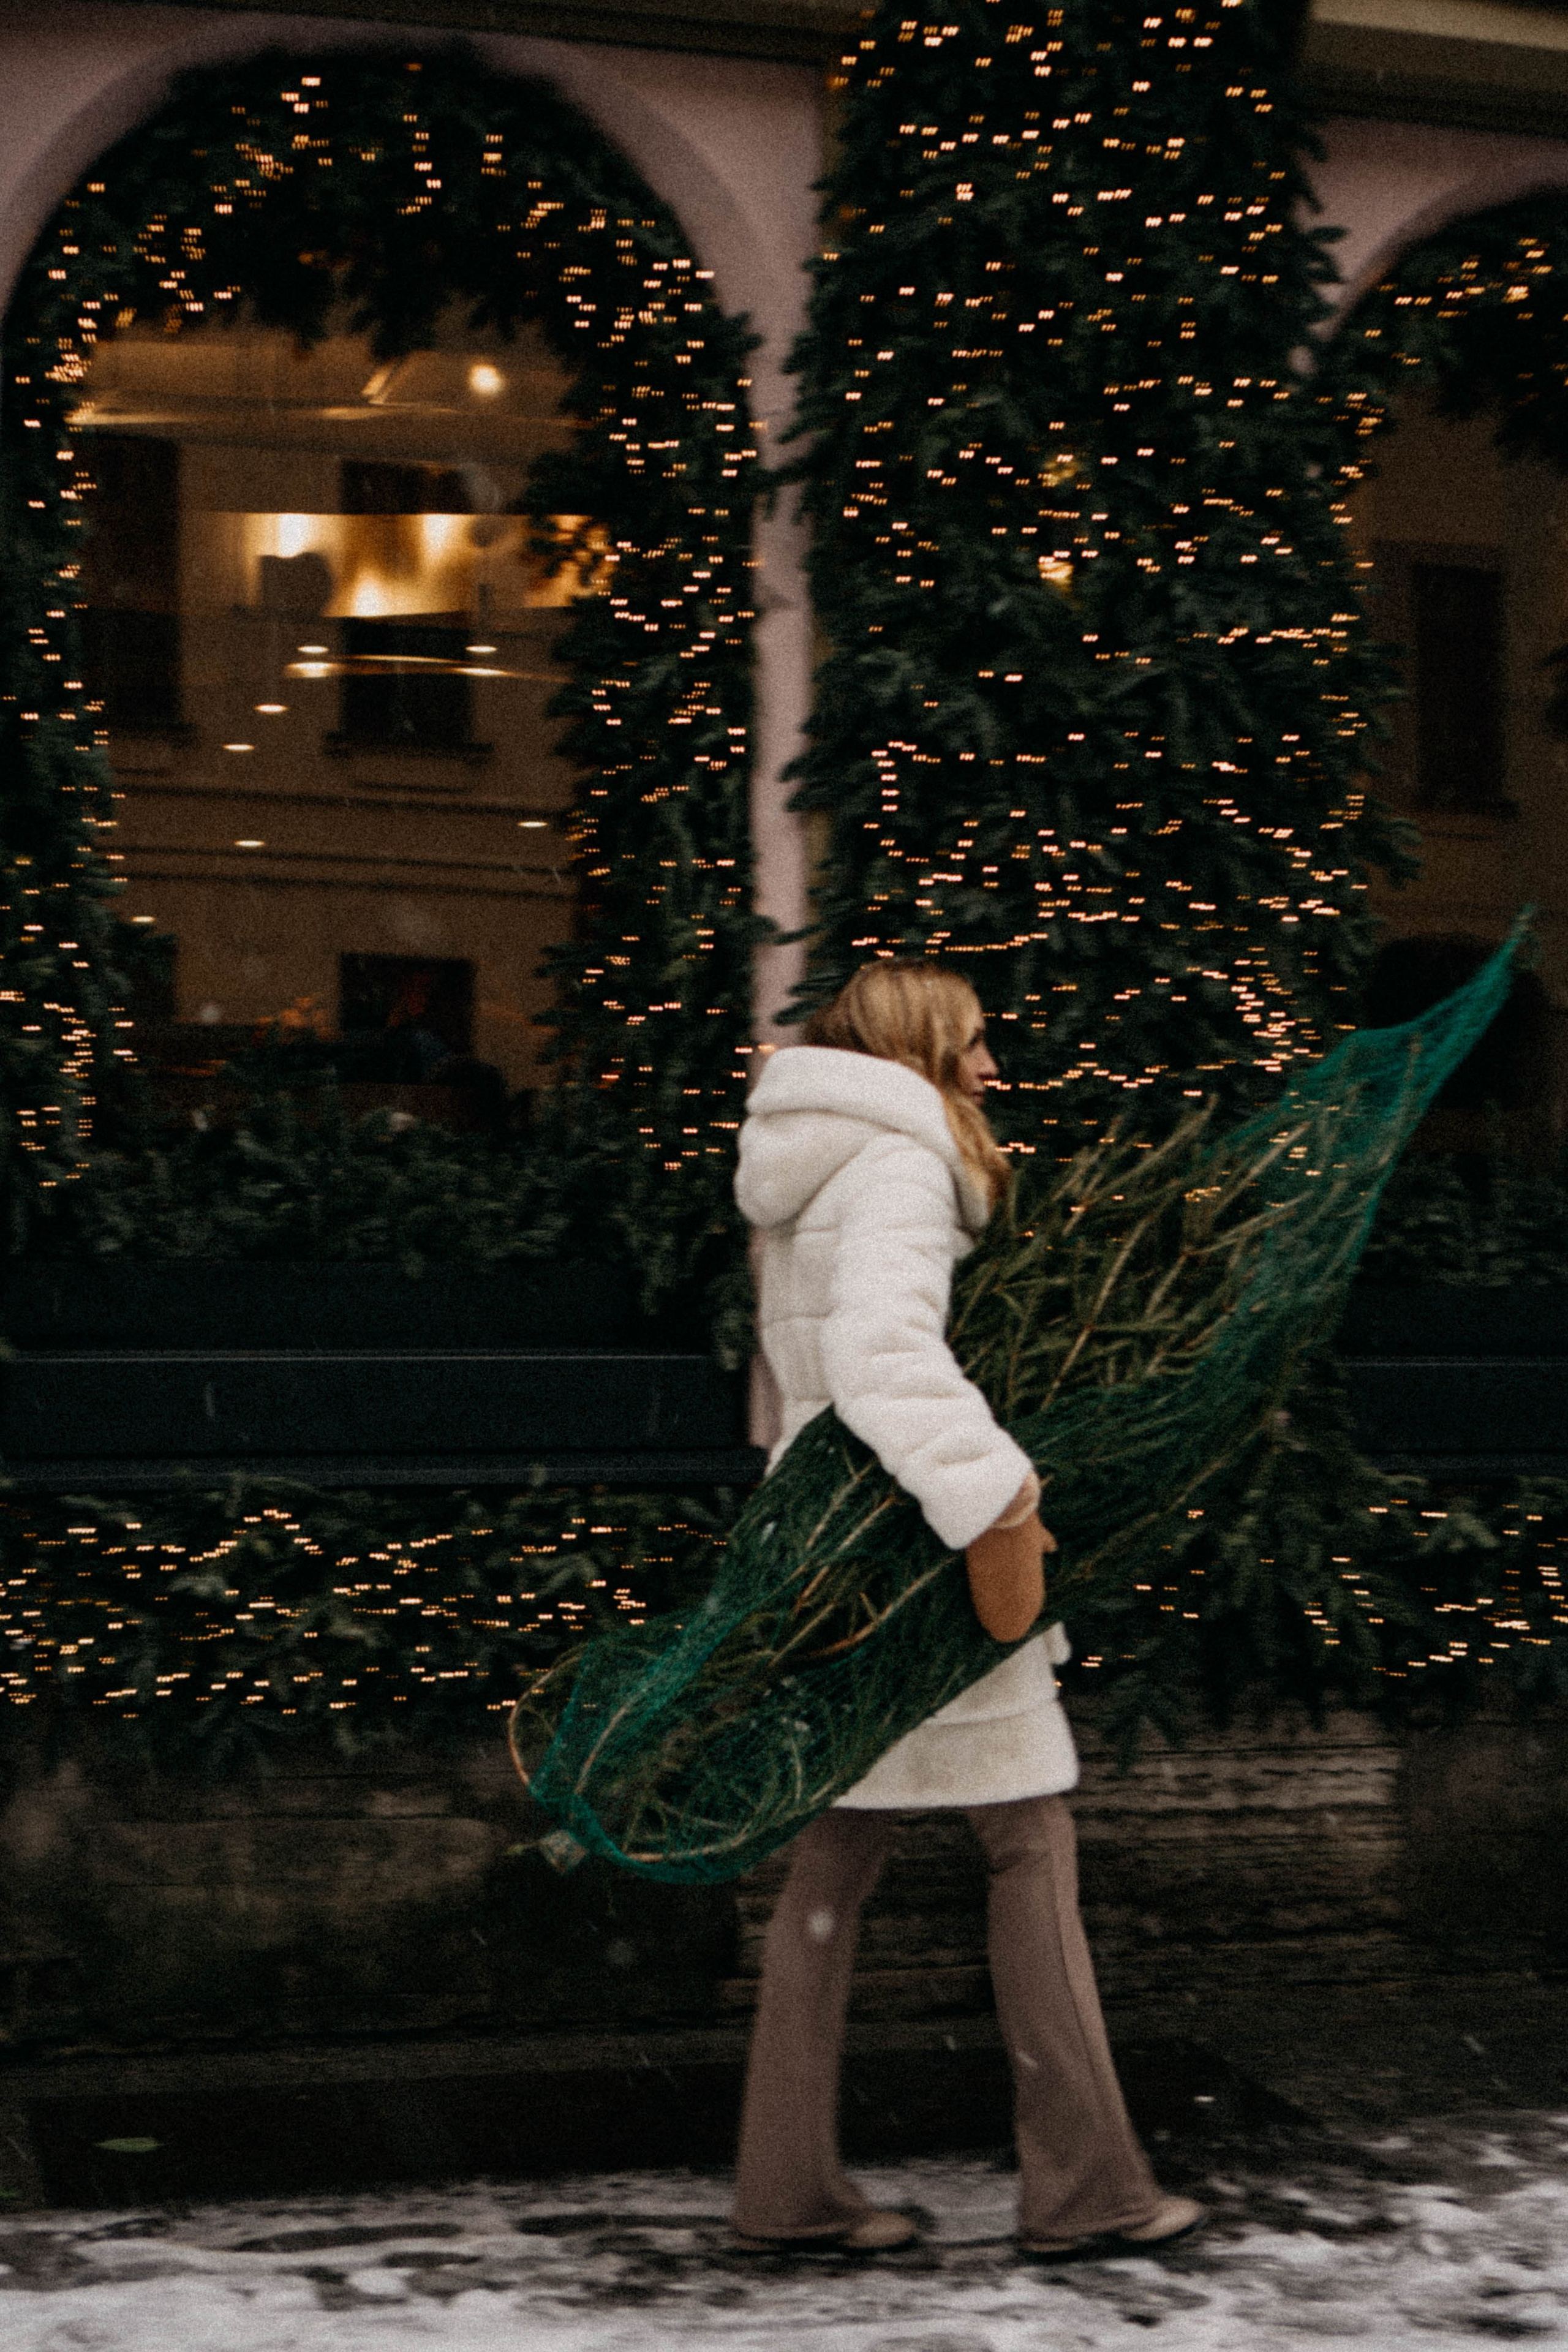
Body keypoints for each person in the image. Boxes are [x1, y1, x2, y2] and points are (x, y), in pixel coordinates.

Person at [729, 958, 1205, 2259]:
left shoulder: (811, 1160)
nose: (993, 1070)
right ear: (921, 1052)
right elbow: (882, 1360)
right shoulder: (897, 1161)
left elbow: (811, 1367)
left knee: (834, 1861)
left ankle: (784, 2188)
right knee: (1027, 1842)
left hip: (834, 1544)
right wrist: (994, 1496)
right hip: (916, 1546)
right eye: (975, 1045)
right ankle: (1087, 2188)